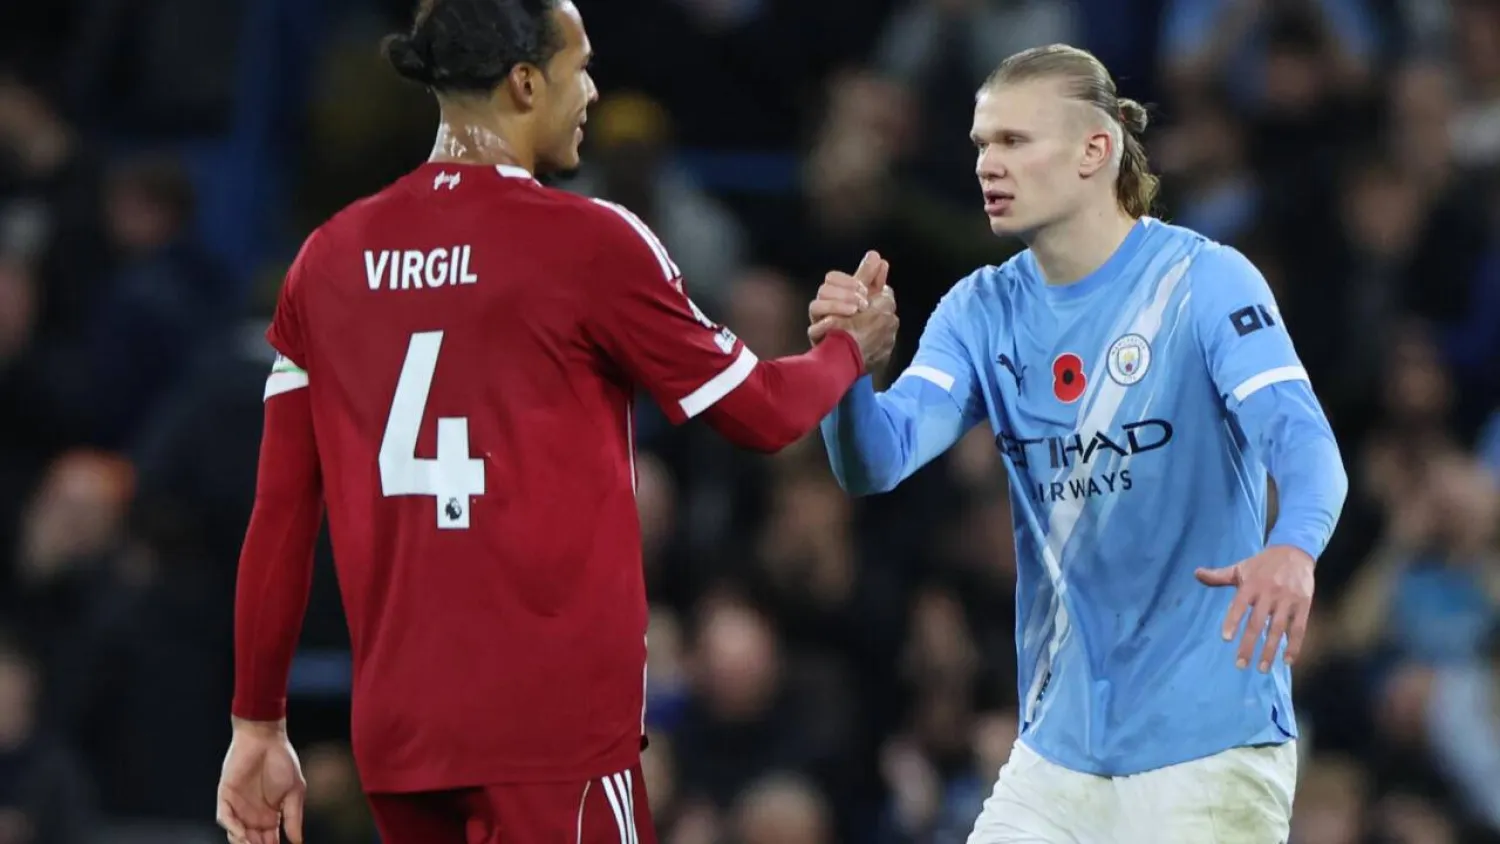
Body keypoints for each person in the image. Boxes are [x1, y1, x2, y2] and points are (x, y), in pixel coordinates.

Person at [214, 2, 899, 843]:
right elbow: (760, 413)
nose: (593, 91)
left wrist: (258, 726)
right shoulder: (590, 244)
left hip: (401, 736)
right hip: (552, 736)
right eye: (580, 68)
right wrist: (846, 352)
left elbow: (281, 514)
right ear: (526, 82)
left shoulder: (324, 259)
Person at [810, 44, 1348, 843]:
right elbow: (874, 462)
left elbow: (1302, 441)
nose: (988, 164)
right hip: (1056, 759)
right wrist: (844, 367)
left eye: (1015, 141)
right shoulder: (980, 310)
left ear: (1095, 150)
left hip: (1206, 748)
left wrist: (1294, 547)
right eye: (981, 144)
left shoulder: (1203, 280)